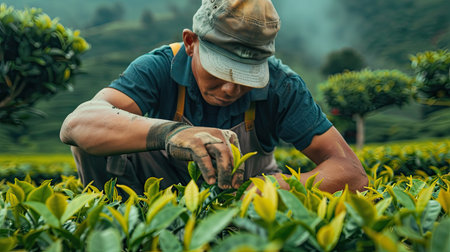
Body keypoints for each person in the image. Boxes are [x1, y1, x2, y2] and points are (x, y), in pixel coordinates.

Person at [60, 0, 368, 195]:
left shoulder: (281, 86)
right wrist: (171, 133)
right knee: (96, 141)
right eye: (220, 72)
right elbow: (76, 125)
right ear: (191, 42)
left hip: (243, 201)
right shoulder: (158, 67)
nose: (230, 89)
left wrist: (272, 186)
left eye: (247, 77)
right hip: (150, 197)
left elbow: (351, 172)